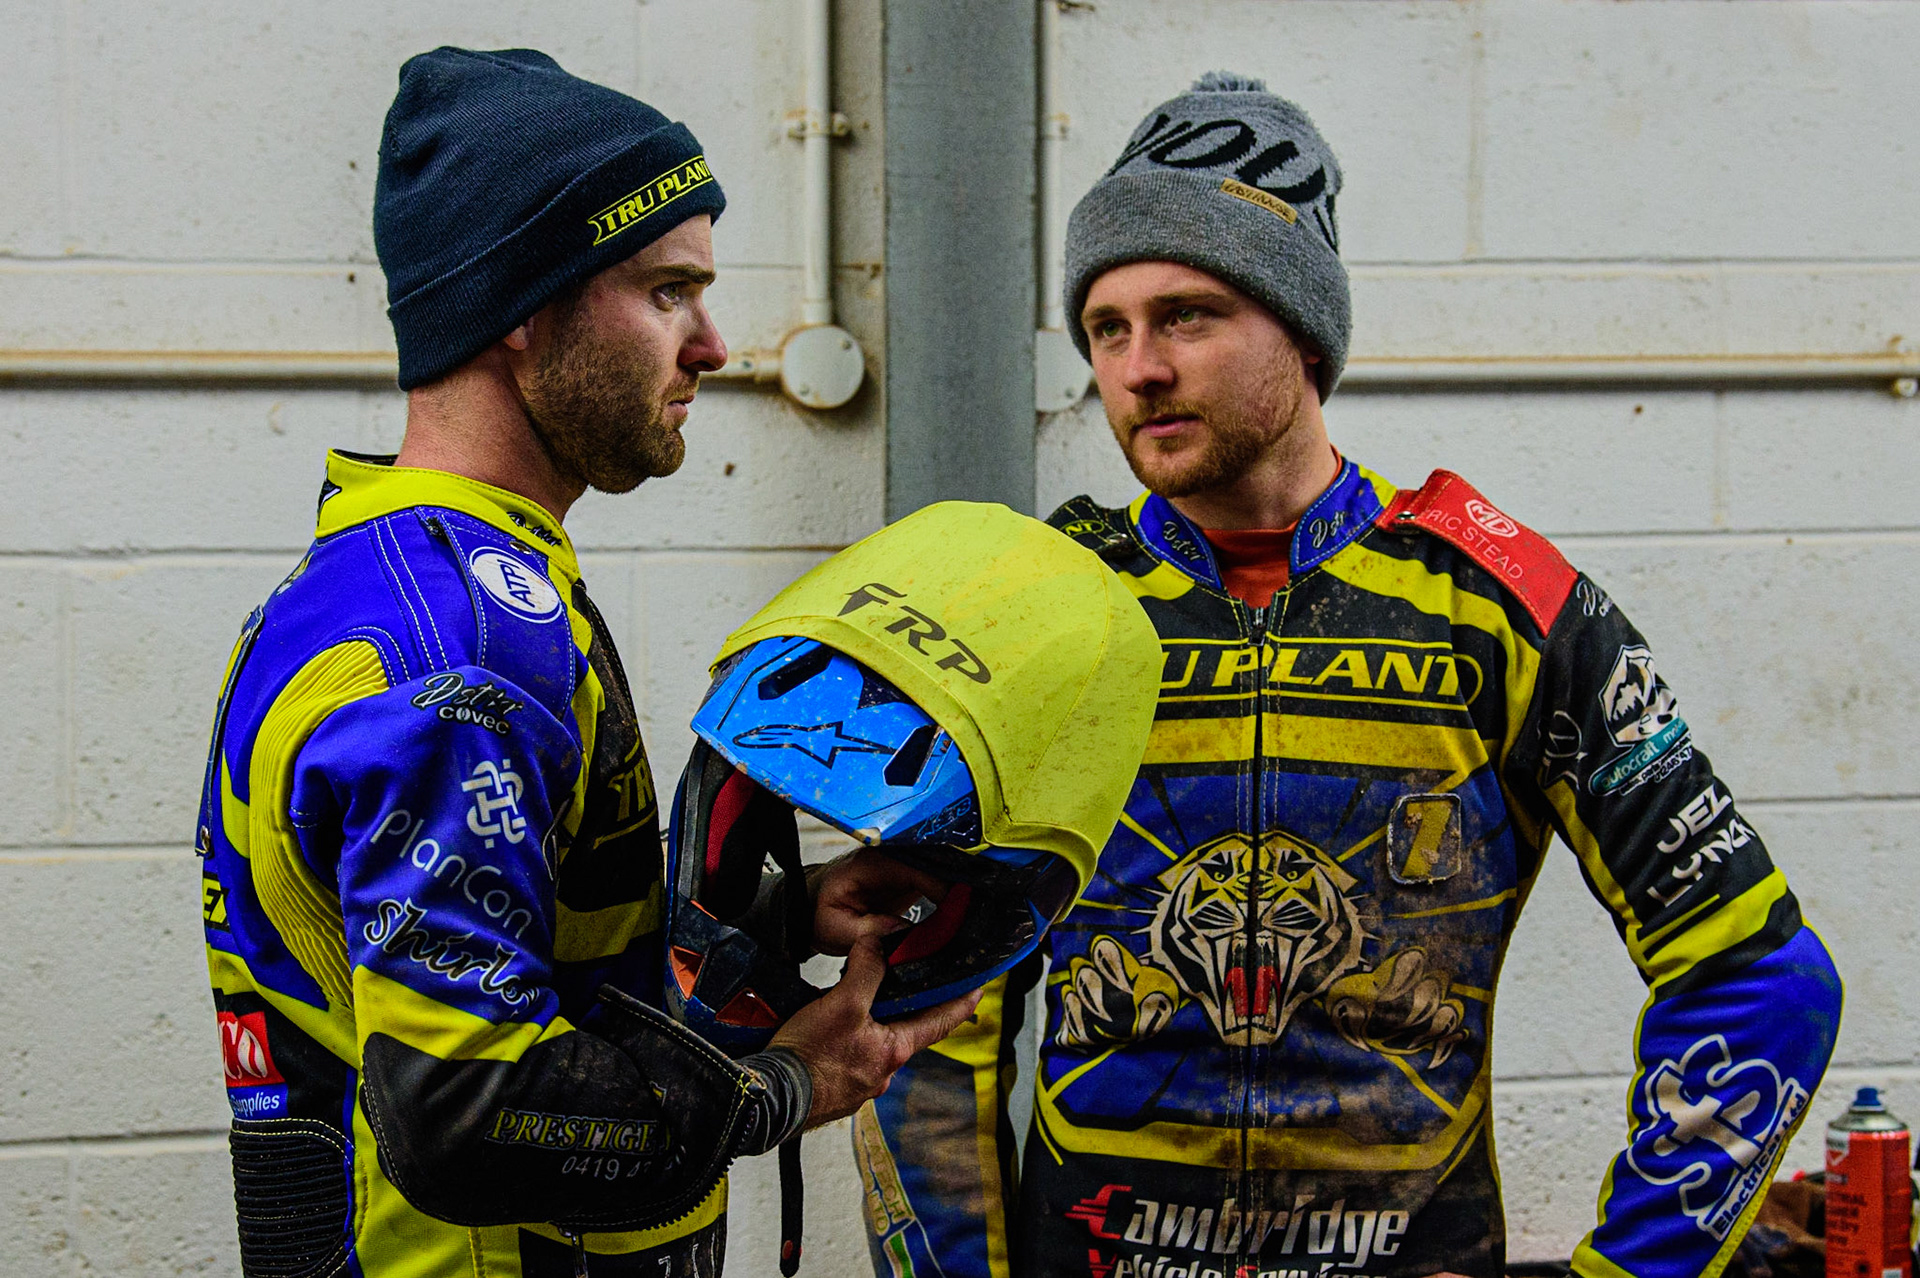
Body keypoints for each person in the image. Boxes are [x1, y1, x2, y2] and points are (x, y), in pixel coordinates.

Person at [857, 73, 1844, 1278]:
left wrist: (1635, 1270)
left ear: (1303, 332)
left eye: (1188, 315)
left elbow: (1759, 975)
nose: (1139, 368)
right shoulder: (1035, 611)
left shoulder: (1499, 603)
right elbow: (926, 1019)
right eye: (1106, 329)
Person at [195, 47, 973, 1278]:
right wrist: (780, 1088)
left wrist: (773, 916)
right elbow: (468, 1109)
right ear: (525, 306)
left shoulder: (398, 580)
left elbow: (505, 951)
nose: (713, 345)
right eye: (669, 293)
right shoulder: (454, 655)